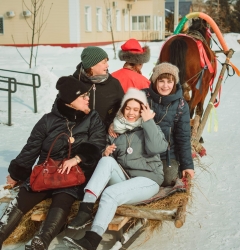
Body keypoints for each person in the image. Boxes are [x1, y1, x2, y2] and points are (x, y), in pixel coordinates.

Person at [0, 76, 106, 250]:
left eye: (87, 95)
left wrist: (78, 158)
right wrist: (15, 174)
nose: (88, 99)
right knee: (25, 195)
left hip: (74, 175)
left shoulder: (92, 118)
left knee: (63, 198)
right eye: (83, 96)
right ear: (70, 101)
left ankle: (41, 242)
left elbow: (98, 143)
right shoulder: (48, 121)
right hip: (46, 173)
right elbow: (30, 150)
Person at [63, 88, 168, 250]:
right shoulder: (115, 131)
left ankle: (91, 240)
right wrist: (106, 153)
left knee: (109, 194)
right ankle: (85, 210)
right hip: (127, 179)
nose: (131, 113)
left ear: (142, 110)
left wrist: (148, 122)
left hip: (148, 180)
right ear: (122, 109)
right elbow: (110, 165)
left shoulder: (149, 127)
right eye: (128, 108)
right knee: (105, 161)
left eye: (136, 109)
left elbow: (158, 148)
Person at [143, 62, 195, 186]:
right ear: (155, 81)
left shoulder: (180, 105)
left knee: (168, 180)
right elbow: (125, 113)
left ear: (175, 83)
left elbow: (183, 137)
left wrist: (187, 165)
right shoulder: (143, 97)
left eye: (169, 81)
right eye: (161, 81)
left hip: (167, 155)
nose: (165, 86)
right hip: (143, 153)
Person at [72, 46, 124, 129]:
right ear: (92, 65)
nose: (107, 65)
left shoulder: (114, 83)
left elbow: (123, 108)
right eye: (104, 62)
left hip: (105, 135)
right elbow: (59, 110)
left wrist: (114, 124)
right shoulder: (73, 83)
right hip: (78, 136)